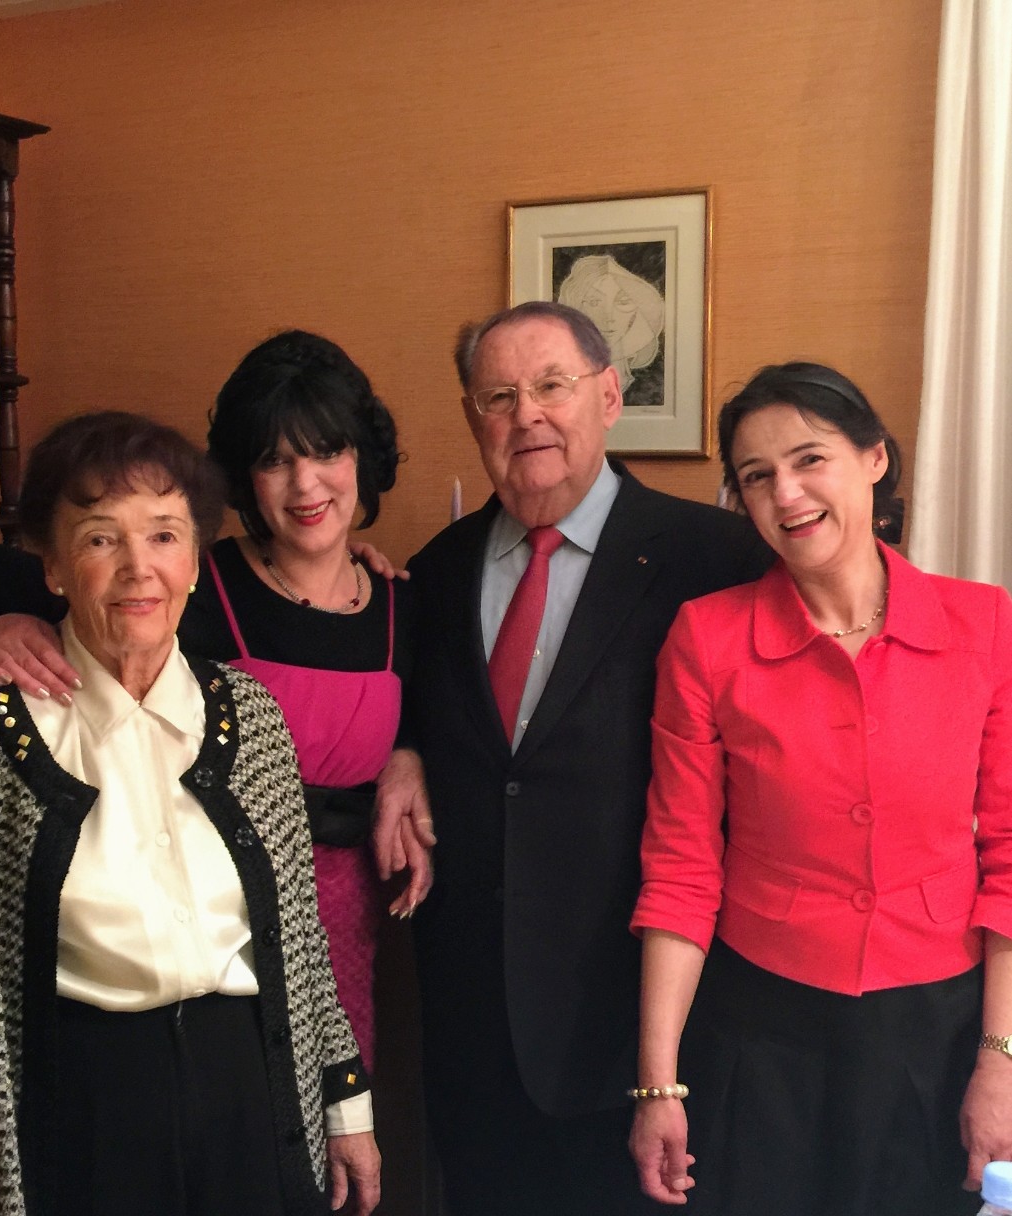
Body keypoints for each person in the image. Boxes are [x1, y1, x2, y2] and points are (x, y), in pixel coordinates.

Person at [374, 301, 772, 1215]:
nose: (527, 416)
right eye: (498, 397)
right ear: (473, 418)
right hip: (475, 1027)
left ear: (608, 396)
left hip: (640, 1026)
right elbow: (403, 706)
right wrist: (404, 752)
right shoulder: (432, 571)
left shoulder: (715, 559)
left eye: (551, 386)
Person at [629, 362, 1012, 1216]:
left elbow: (1009, 854)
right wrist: (658, 1086)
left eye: (809, 459)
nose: (786, 494)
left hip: (937, 1031)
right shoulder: (707, 638)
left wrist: (1001, 1059)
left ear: (874, 459)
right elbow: (681, 868)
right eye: (756, 476)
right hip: (761, 1034)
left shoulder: (983, 624)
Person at [0, 329, 430, 1071]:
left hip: (349, 916)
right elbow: (61, 579)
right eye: (274, 460)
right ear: (242, 477)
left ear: (362, 457)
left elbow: (430, 717)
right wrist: (5, 622)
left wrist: (408, 757)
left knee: (335, 1112)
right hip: (204, 916)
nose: (305, 485)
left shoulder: (401, 603)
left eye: (327, 451)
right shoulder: (185, 579)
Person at [0, 410, 380, 1216]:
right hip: (86, 1105)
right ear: (53, 567)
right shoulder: (6, 731)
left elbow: (300, 935)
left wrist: (345, 1105)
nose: (138, 568)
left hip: (250, 1089)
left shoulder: (251, 714)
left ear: (196, 561)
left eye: (164, 535)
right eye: (101, 538)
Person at [557, 254, 665, 396]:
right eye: (594, 302)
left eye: (623, 302)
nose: (608, 316)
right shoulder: (561, 382)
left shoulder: (652, 387)